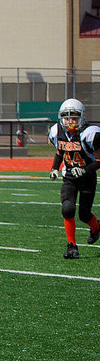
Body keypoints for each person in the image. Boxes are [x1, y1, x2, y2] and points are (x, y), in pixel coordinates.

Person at [48, 98, 100, 259]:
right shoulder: (57, 131)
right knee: (67, 209)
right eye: (67, 117)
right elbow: (59, 152)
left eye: (74, 117)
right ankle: (72, 246)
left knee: (84, 214)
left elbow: (99, 160)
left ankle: (97, 228)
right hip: (69, 177)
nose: (70, 121)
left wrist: (84, 170)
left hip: (87, 178)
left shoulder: (90, 133)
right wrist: (55, 168)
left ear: (81, 117)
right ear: (61, 118)